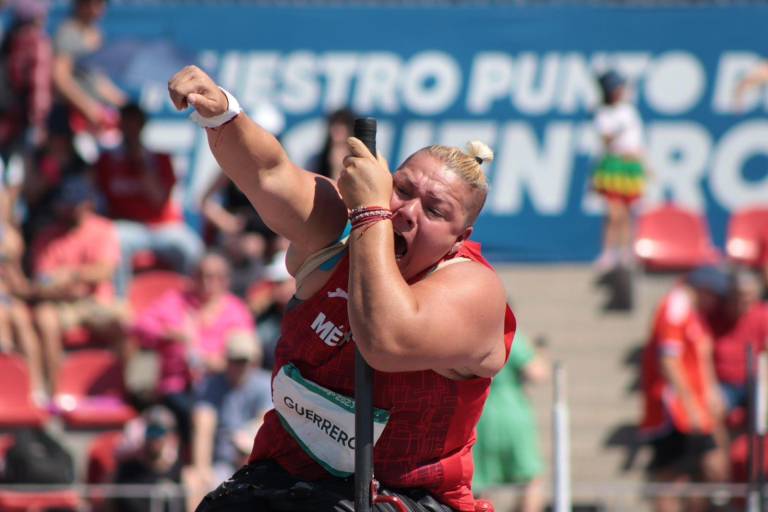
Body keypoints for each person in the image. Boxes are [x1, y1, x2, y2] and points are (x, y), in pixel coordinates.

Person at [168, 66, 514, 512]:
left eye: (434, 210)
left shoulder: (475, 289)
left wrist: (372, 211)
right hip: (282, 483)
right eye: (401, 189)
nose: (407, 211)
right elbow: (270, 174)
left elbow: (385, 339)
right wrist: (222, 115)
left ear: (459, 238)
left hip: (406, 497)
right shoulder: (339, 231)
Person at [131, 251, 255, 443]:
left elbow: (248, 351)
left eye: (214, 276)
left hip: (222, 386)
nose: (207, 282)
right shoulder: (175, 301)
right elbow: (140, 326)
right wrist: (170, 334)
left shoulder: (236, 311)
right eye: (201, 275)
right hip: (178, 386)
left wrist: (217, 362)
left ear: (225, 280)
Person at [640, 266, 731, 512]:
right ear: (704, 289)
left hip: (693, 409)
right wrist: (690, 404)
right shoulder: (675, 306)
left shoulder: (691, 312)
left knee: (703, 473)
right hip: (675, 411)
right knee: (671, 476)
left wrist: (710, 393)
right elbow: (668, 360)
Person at [95, 102, 203, 296]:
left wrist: (140, 162)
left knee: (191, 247)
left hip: (162, 227)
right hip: (126, 227)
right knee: (114, 243)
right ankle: (120, 303)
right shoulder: (106, 161)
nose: (130, 130)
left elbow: (158, 199)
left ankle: (189, 301)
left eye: (135, 124)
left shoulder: (160, 159)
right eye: (126, 124)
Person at [30, 174, 123, 386]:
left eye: (74, 205)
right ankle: (52, 390)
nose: (68, 209)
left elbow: (105, 271)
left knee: (127, 323)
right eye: (65, 204)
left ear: (87, 204)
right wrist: (62, 286)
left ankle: (129, 391)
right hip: (62, 304)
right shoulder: (47, 236)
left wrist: (71, 275)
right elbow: (42, 281)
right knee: (45, 320)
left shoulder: (103, 229)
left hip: (96, 302)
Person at [185, 331, 272, 509]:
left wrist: (246, 439)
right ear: (226, 360)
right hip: (222, 463)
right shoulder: (211, 385)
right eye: (234, 360)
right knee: (195, 481)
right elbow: (203, 426)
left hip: (254, 460)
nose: (239, 366)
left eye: (243, 361)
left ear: (254, 362)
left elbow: (265, 420)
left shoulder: (265, 384)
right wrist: (202, 469)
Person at [473, 332, 548, 512]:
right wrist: (538, 353)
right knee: (531, 479)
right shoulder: (510, 335)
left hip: (480, 414)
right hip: (511, 413)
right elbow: (537, 373)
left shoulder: (475, 335)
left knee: (482, 483)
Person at [0, 0, 52, 219]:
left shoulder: (10, 39)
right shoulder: (36, 42)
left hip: (8, 121)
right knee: (16, 176)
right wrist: (38, 121)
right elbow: (38, 86)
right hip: (19, 124)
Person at [592, 70, 648, 271]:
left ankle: (626, 252)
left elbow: (637, 142)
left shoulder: (629, 111)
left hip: (631, 165)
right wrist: (617, 130)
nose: (620, 91)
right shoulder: (603, 113)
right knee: (614, 213)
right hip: (614, 164)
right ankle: (608, 252)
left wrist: (645, 164)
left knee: (628, 212)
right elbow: (605, 140)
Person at [51, 0, 125, 138]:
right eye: (89, 4)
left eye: (99, 4)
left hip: (96, 116)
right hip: (71, 118)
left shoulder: (97, 33)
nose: (94, 9)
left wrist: (124, 103)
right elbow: (60, 78)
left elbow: (96, 78)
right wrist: (89, 108)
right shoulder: (68, 33)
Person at [713, 269, 768, 414]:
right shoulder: (715, 316)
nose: (741, 304)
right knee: (714, 405)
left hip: (755, 382)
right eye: (737, 297)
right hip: (724, 384)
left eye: (748, 299)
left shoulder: (763, 314)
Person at [112, 405, 185, 512]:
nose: (154, 439)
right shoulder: (126, 472)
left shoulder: (181, 473)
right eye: (150, 431)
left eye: (159, 431)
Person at [307, 107, 356, 180]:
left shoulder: (358, 159)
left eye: (342, 125)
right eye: (335, 125)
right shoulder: (318, 159)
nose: (338, 129)